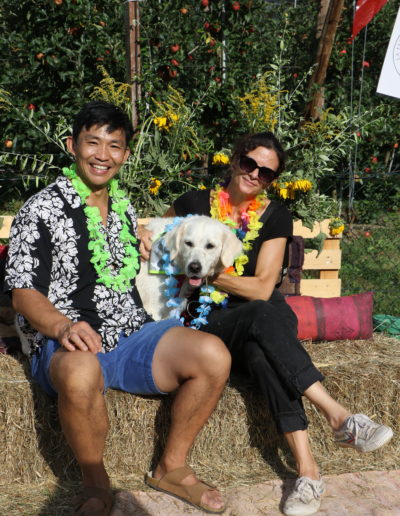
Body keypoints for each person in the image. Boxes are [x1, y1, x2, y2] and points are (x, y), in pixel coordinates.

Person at [140, 131, 393, 516]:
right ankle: (338, 416)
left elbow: (261, 288)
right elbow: (157, 233)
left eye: (267, 172)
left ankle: (308, 473)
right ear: (235, 160)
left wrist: (208, 273)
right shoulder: (195, 203)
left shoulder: (276, 216)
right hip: (213, 323)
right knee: (261, 320)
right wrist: (146, 235)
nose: (255, 174)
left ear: (273, 180)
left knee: (262, 352)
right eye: (249, 164)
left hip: (263, 318)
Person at [4, 101, 230, 516]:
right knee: (80, 369)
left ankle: (171, 468)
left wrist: (147, 245)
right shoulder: (39, 210)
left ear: (125, 154)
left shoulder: (124, 208)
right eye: (93, 142)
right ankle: (96, 484)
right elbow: (22, 291)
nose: (102, 155)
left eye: (114, 145)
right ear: (73, 145)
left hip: (130, 334)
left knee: (213, 354)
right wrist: (63, 327)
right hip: (67, 341)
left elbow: (141, 264)